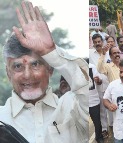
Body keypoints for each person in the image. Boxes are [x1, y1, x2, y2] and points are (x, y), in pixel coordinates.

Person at [0, 1, 89, 143]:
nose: (27, 75)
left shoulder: (72, 110)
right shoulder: (1, 119)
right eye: (17, 67)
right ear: (8, 73)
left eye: (35, 64)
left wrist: (51, 52)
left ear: (50, 68)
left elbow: (88, 90)